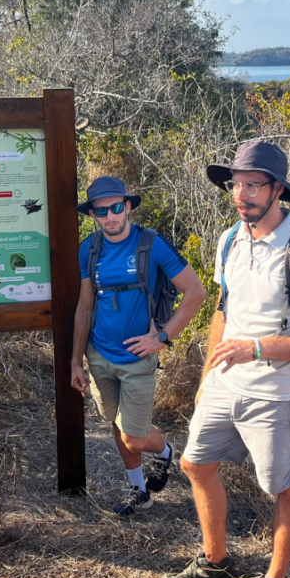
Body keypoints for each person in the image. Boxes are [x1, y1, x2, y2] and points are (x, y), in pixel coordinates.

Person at [162, 140, 290, 578]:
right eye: (235, 184)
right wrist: (207, 377)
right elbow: (223, 312)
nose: (240, 194)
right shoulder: (229, 239)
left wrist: (259, 348)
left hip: (279, 392)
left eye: (251, 185)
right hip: (226, 383)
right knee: (195, 463)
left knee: (283, 486)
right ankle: (216, 563)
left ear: (277, 189)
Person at [69, 176, 207, 516]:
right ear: (93, 215)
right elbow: (85, 306)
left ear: (128, 206)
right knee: (117, 426)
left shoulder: (151, 244)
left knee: (133, 436)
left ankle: (164, 453)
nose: (110, 216)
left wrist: (162, 337)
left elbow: (196, 293)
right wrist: (76, 361)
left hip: (137, 357)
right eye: (101, 211)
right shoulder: (89, 248)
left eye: (116, 208)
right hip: (100, 354)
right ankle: (137, 488)